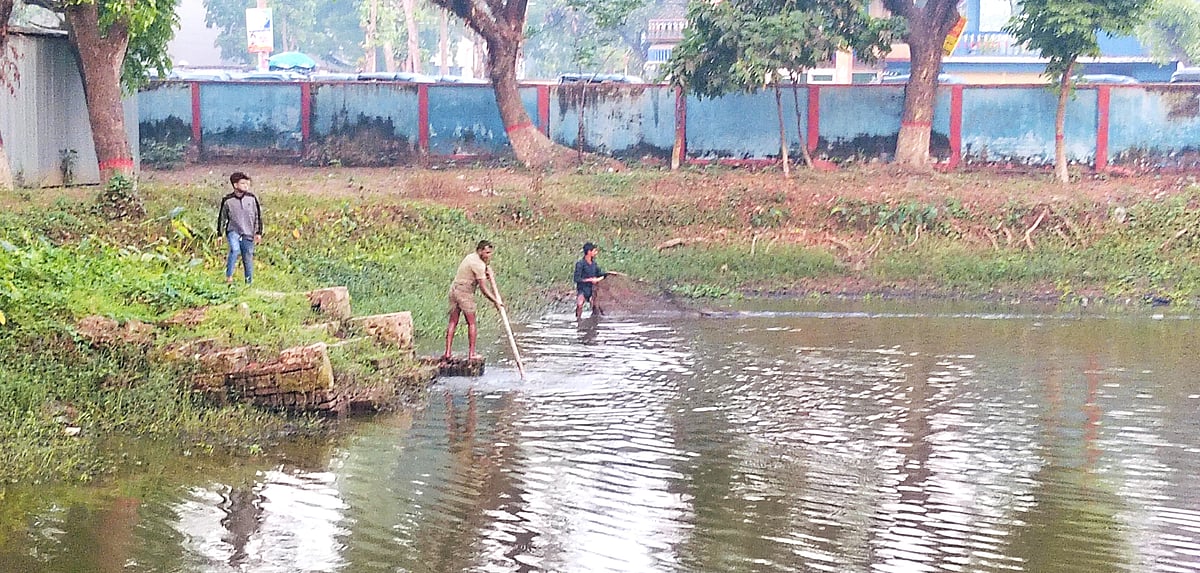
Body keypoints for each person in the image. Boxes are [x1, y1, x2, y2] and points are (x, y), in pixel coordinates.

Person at [444, 240, 503, 361]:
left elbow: (479, 272)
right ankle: (472, 354)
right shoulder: (479, 265)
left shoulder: (470, 257)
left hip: (454, 290)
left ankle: (448, 353)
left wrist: (487, 271)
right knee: (471, 322)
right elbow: (483, 288)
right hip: (464, 293)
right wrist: (496, 301)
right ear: (480, 251)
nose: (489, 255)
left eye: (490, 253)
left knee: (453, 321)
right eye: (486, 253)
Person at [216, 172, 263, 285]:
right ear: (235, 185)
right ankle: (229, 276)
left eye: (247, 183)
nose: (246, 185)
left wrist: (258, 232)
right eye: (243, 183)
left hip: (249, 232)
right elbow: (222, 217)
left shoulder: (251, 198)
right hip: (233, 230)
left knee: (247, 257)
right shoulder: (227, 200)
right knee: (235, 249)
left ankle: (248, 283)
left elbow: (258, 215)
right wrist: (219, 234)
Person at [574, 242, 608, 319]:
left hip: (592, 289)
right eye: (594, 251)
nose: (596, 253)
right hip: (582, 289)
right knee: (579, 304)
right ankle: (578, 319)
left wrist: (602, 277)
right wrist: (590, 280)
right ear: (589, 252)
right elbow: (577, 279)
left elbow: (600, 274)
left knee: (595, 307)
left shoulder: (594, 264)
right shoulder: (580, 264)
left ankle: (594, 320)